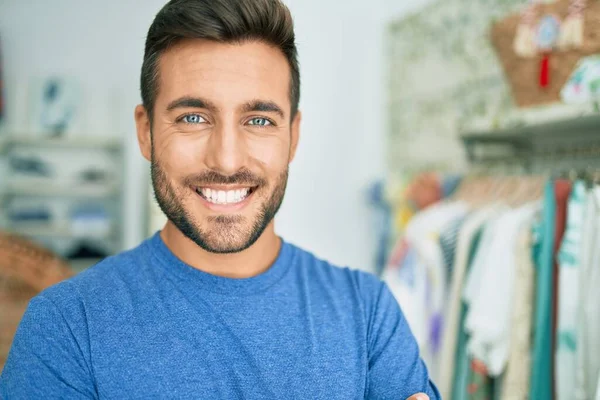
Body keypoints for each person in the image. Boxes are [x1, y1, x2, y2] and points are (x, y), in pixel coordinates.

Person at [0, 0, 440, 398]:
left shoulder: (367, 313)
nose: (227, 160)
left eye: (259, 120)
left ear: (293, 136)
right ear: (146, 131)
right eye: (193, 117)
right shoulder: (65, 328)